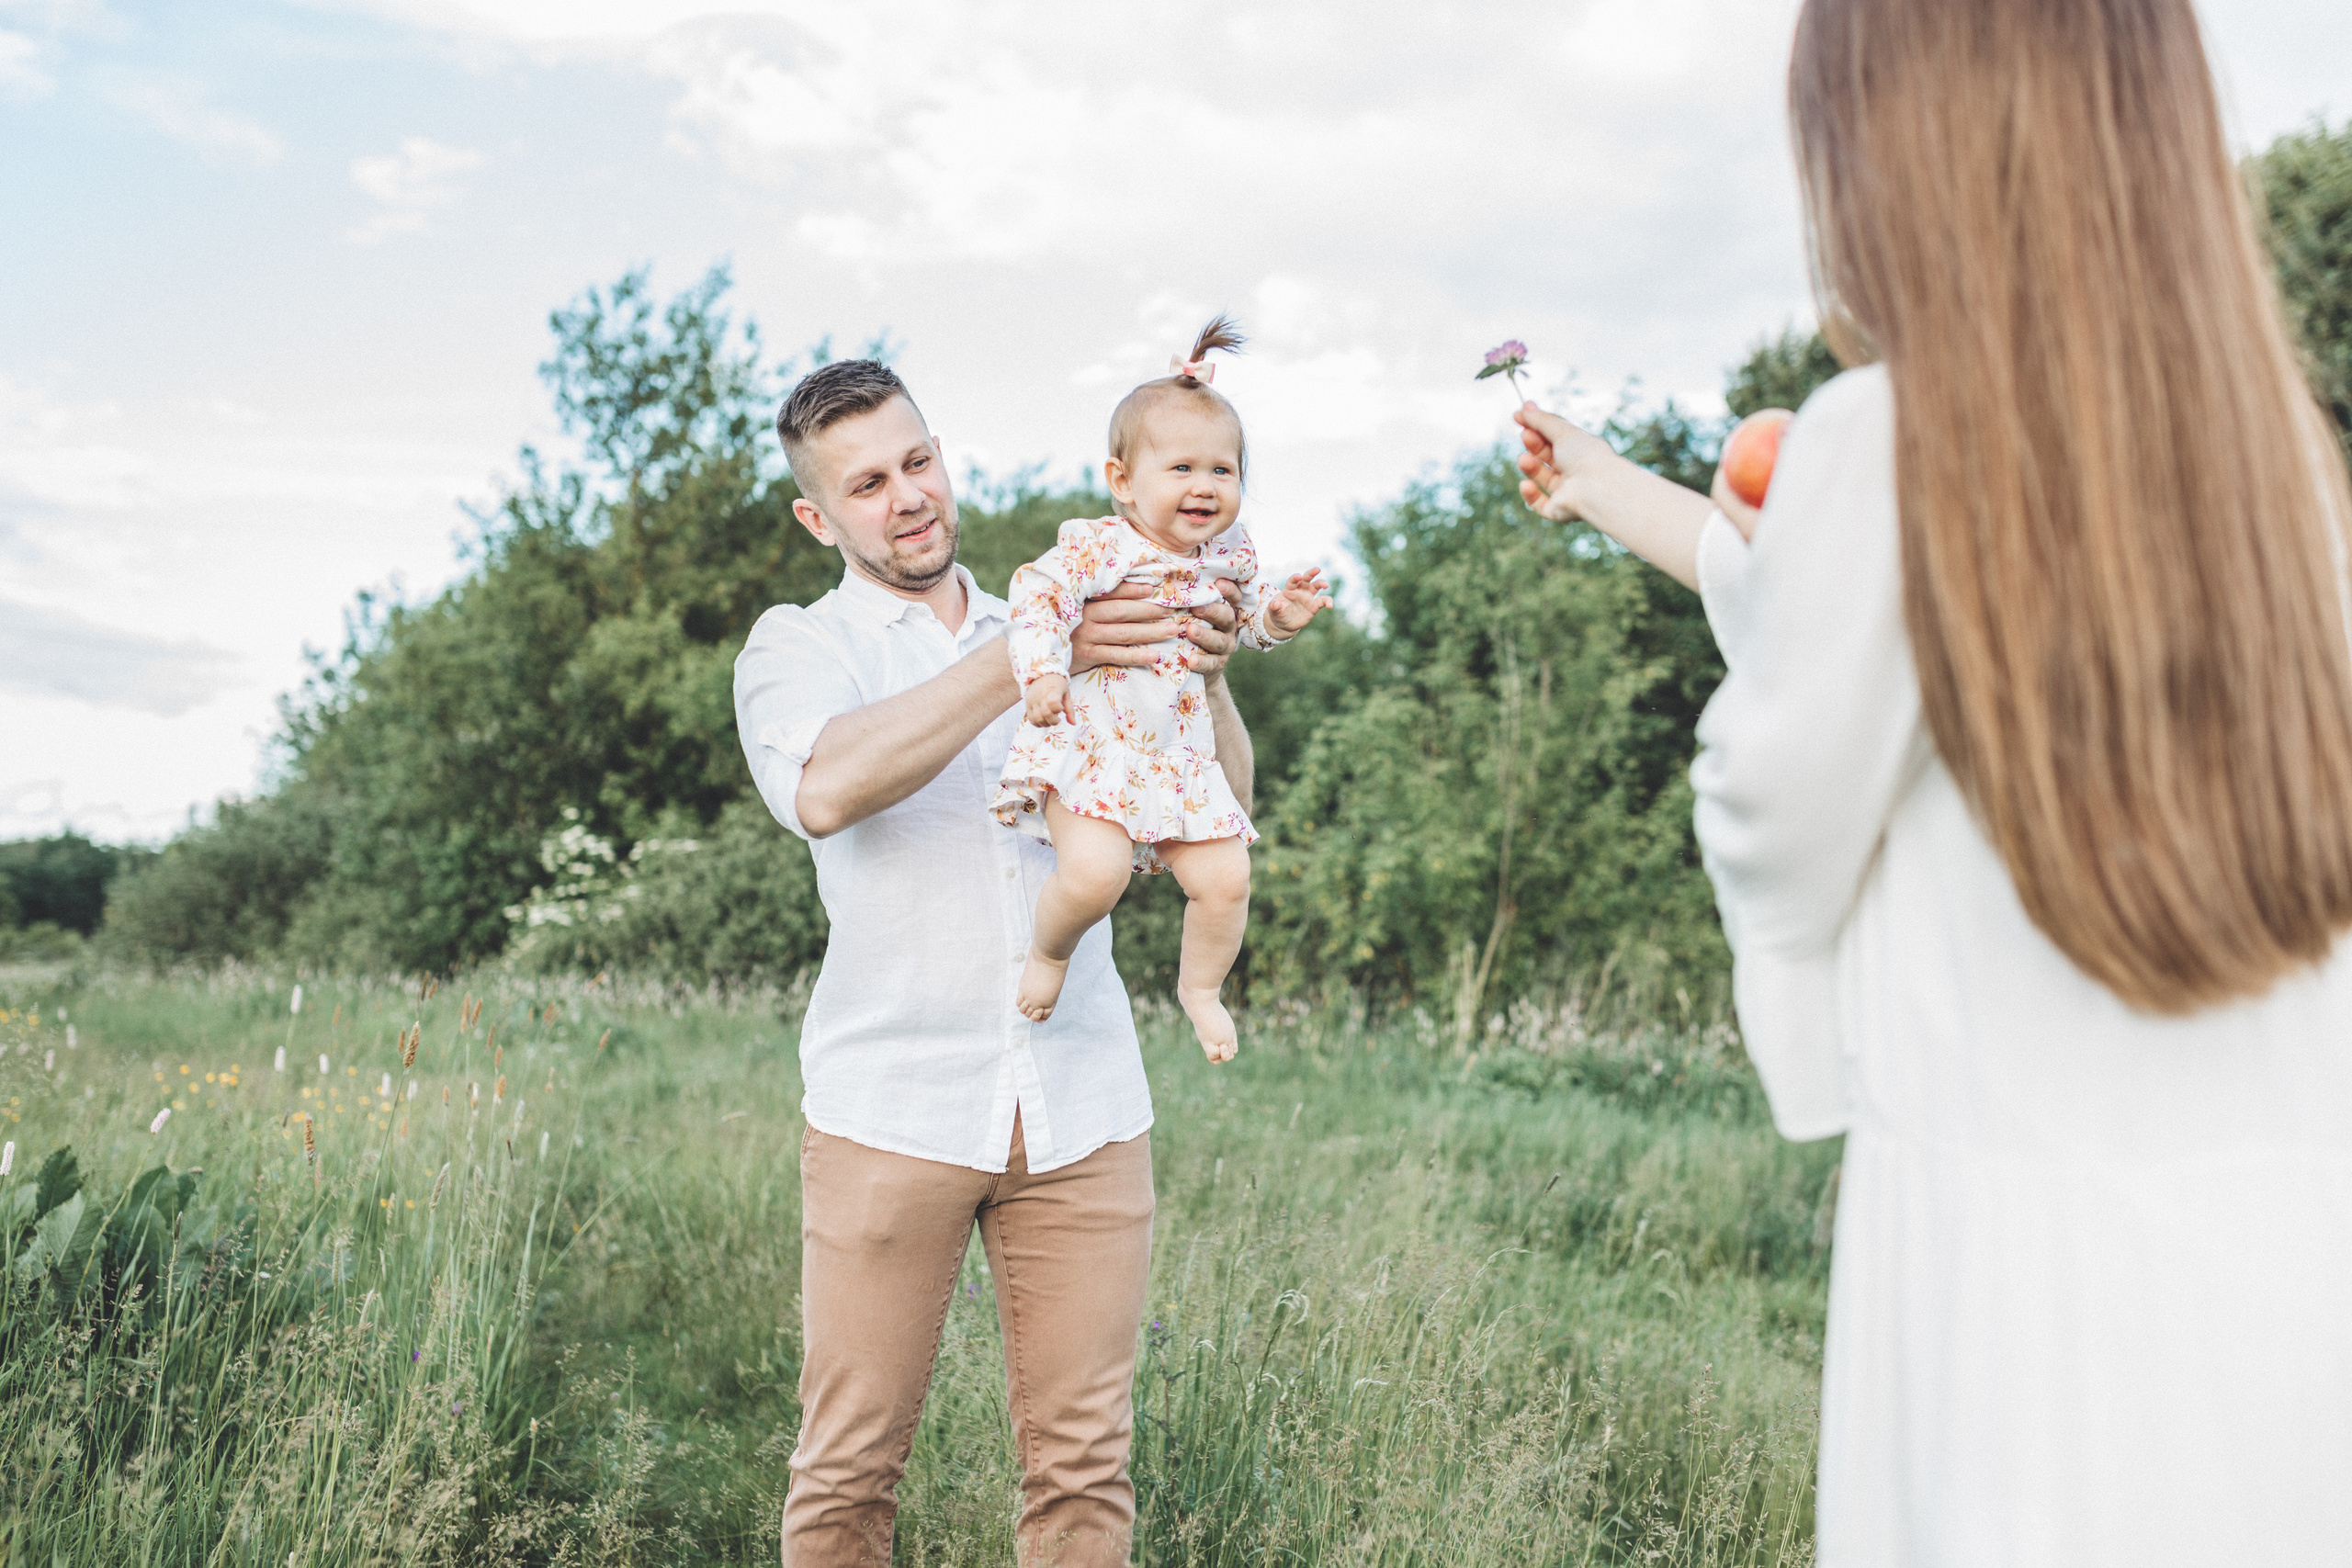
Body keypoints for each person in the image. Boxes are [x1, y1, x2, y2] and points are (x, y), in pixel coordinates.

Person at [1512, 0, 2352, 1561]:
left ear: (1893, 151)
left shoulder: (1890, 436)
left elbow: (1779, 810)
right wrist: (1618, 486)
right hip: (2302, 1257)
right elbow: (1823, 594)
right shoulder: (2277, 463)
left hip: (2031, 1271)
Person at [734, 356, 1255, 1567]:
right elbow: (821, 786)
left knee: (1082, 1470)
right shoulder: (801, 643)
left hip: (1083, 1101)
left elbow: (1220, 802)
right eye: (866, 482)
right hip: (890, 1107)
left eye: (917, 460)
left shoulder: (1093, 588)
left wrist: (1213, 677)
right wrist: (1028, 650)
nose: (906, 495)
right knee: (849, 1472)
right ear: (821, 516)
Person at [992, 315, 1332, 1060]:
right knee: (1094, 875)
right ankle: (1048, 955)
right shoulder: (1100, 546)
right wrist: (1044, 670)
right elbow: (1035, 596)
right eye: (1181, 469)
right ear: (1123, 481)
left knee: (1227, 877)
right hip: (1096, 746)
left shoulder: (1231, 555)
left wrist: (1278, 617)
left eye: (1222, 470)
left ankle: (1200, 988)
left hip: (1179, 761)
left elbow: (1240, 631)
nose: (1204, 486)